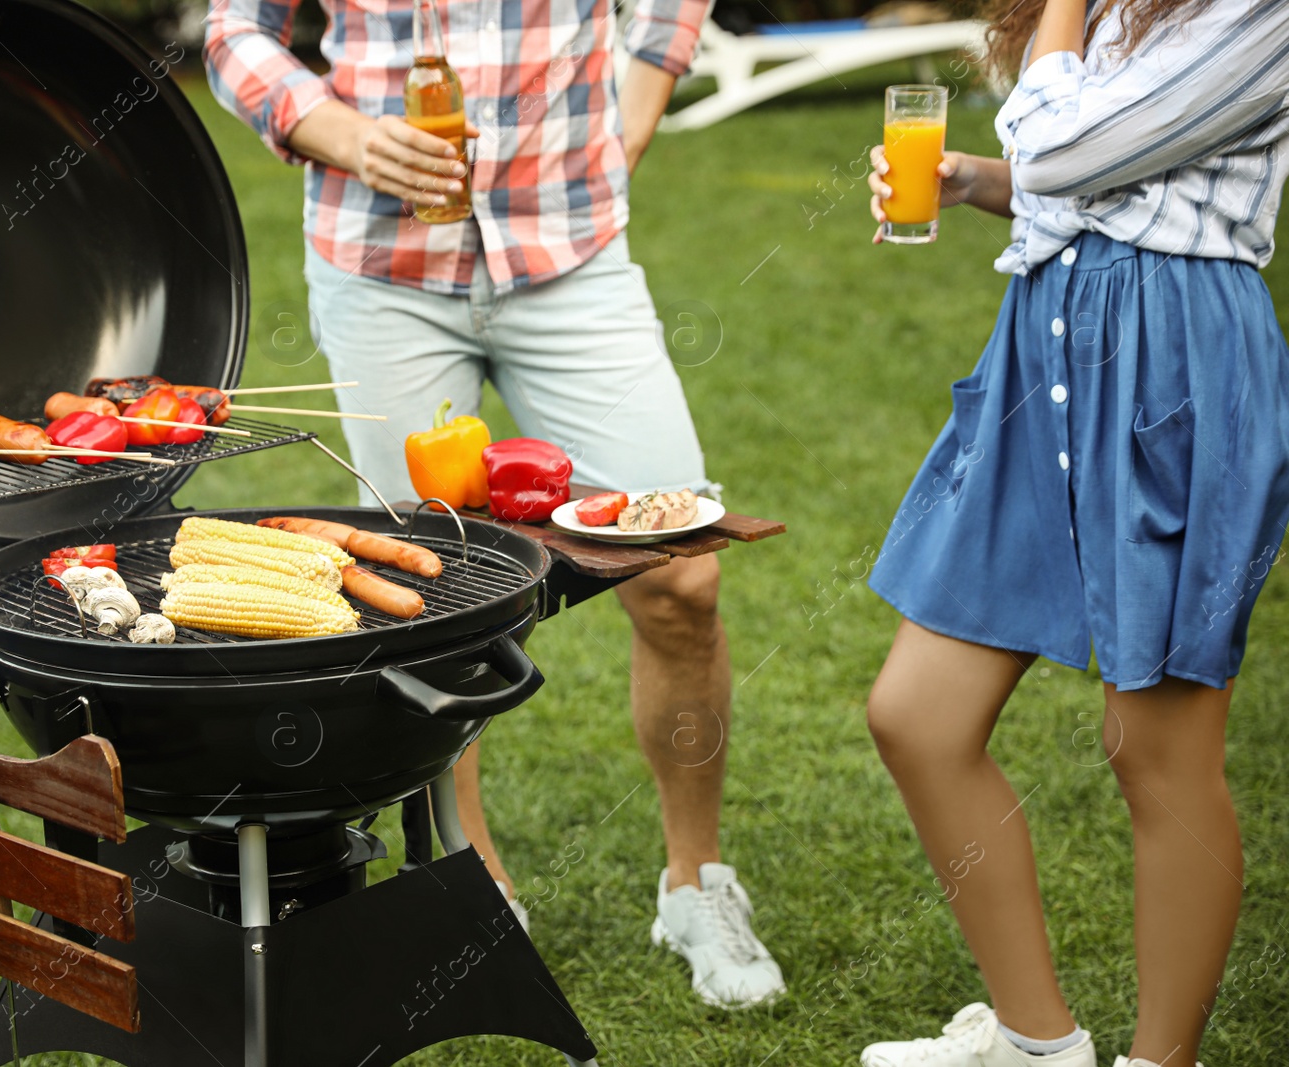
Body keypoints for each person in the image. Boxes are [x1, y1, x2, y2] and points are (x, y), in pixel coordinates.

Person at [204, 0, 786, 1008]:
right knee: (429, 593)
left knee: (682, 570)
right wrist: (342, 134)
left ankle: (696, 883)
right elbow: (232, 30)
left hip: (572, 259)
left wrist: (635, 115)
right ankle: (474, 881)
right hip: (381, 272)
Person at [862, 0, 1289, 1063]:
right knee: (916, 712)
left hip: (1179, 363)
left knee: (1155, 750)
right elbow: (1093, 181)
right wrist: (974, 183)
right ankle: (1034, 1042)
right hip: (1043, 352)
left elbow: (1064, 144)